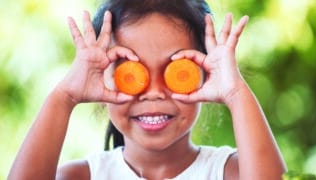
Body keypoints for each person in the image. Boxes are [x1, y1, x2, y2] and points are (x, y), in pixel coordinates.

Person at [8, 0, 287, 179]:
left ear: (207, 74)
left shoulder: (231, 172)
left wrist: (236, 94)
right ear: (99, 77)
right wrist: (64, 97)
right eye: (130, 70)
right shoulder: (81, 176)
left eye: (176, 71)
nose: (153, 92)